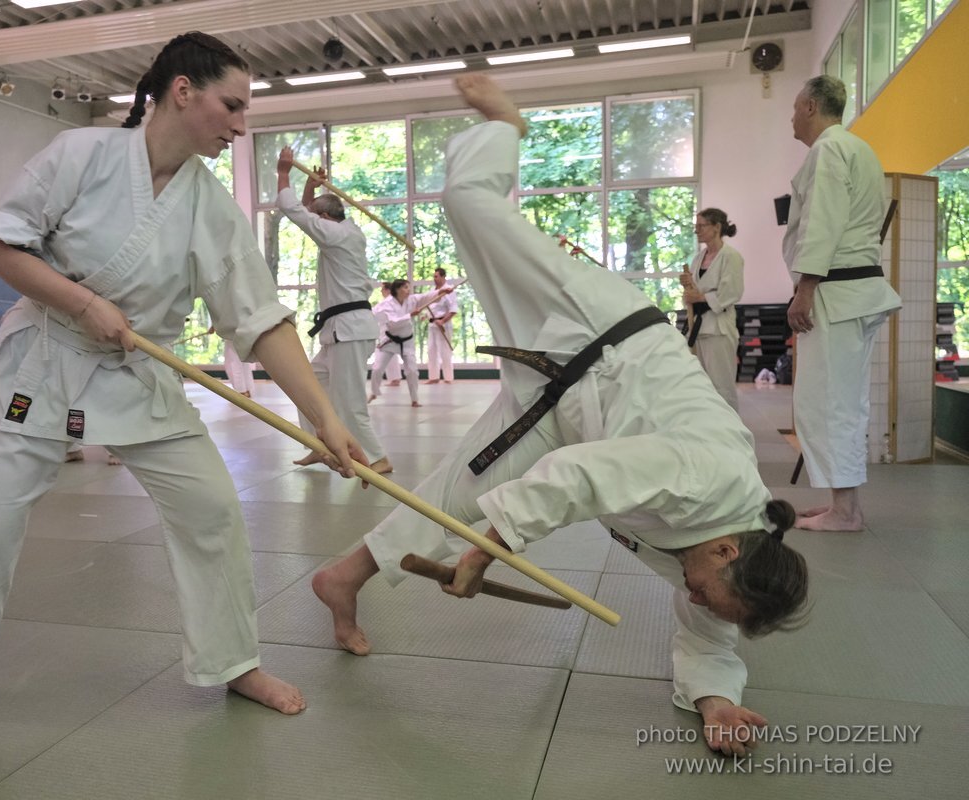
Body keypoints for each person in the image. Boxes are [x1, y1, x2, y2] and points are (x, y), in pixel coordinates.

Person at [312, 74, 809, 756]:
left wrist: (718, 703)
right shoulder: (711, 479)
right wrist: (494, 549)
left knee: (457, 493)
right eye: (705, 593)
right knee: (465, 202)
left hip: (569, 409)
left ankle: (342, 577)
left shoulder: (726, 569)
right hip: (595, 328)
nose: (692, 601)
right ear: (726, 552)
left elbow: (711, 635)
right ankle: (505, 130)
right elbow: (580, 478)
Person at [0, 32, 365, 735]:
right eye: (231, 106)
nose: (241, 126)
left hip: (139, 376)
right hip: (41, 367)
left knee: (212, 509)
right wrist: (83, 303)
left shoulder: (211, 208)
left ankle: (232, 661)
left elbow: (261, 320)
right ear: (183, 91)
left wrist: (322, 414)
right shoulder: (81, 155)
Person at [783, 76, 901, 532]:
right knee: (842, 402)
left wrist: (805, 287)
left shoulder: (829, 150)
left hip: (835, 291)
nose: (791, 117)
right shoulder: (859, 149)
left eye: (794, 107)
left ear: (810, 106)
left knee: (828, 403)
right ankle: (843, 504)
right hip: (855, 291)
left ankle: (846, 512)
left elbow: (823, 222)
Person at [274, 149, 391, 473]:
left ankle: (378, 456)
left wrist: (284, 173)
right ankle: (319, 445)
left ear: (324, 220)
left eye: (317, 217)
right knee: (309, 387)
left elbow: (295, 211)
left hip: (351, 330)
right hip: (340, 329)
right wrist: (311, 186)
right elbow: (310, 213)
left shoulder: (338, 235)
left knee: (350, 401)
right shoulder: (342, 232)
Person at [680, 208, 744, 409]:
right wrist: (688, 287)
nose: (697, 231)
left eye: (701, 226)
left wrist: (699, 296)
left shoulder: (731, 256)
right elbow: (694, 293)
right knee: (700, 385)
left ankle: (730, 434)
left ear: (717, 227)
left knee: (721, 386)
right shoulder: (698, 258)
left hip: (718, 329)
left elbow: (732, 292)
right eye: (696, 226)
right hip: (698, 328)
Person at [368, 278, 452, 407]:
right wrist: (410, 315)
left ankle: (414, 399)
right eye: (405, 287)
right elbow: (393, 322)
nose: (409, 290)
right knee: (377, 368)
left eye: (408, 287)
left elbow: (425, 296)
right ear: (397, 289)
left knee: (412, 371)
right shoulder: (386, 304)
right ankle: (374, 392)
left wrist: (442, 291)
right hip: (390, 340)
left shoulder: (411, 300)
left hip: (407, 340)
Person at [424, 267, 458, 384]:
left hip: (443, 324)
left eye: (436, 276)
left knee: (445, 351)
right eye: (434, 276)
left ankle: (448, 378)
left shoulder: (449, 291)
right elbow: (429, 305)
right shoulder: (433, 290)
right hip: (432, 324)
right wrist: (426, 315)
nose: (434, 279)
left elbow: (453, 310)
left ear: (443, 277)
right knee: (431, 350)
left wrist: (443, 321)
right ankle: (434, 377)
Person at [373, 281, 403, 386]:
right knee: (390, 354)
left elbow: (375, 313)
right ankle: (395, 378)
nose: (381, 291)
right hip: (387, 331)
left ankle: (395, 379)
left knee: (387, 353)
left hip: (388, 331)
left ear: (387, 290)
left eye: (382, 289)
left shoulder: (389, 301)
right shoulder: (392, 301)